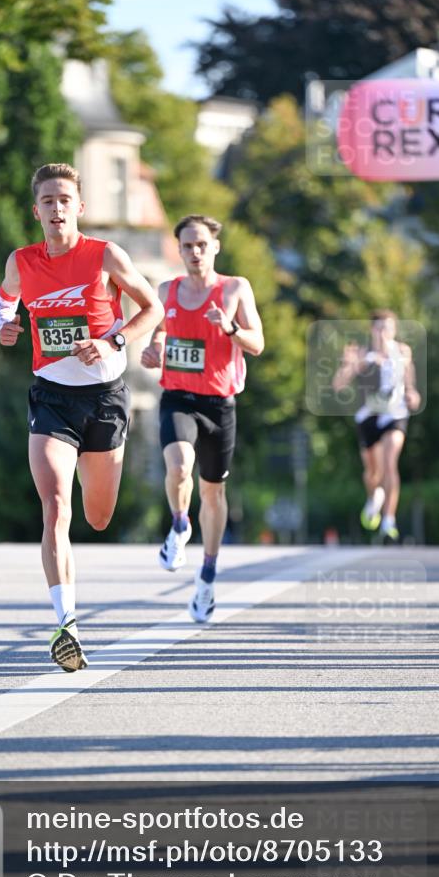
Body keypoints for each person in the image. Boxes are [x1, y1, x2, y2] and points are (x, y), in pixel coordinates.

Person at [0, 162, 163, 672]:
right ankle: (66, 621)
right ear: (37, 210)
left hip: (106, 397)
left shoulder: (105, 254)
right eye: (48, 200)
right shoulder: (22, 261)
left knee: (98, 515)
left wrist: (111, 340)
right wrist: (5, 326)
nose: (57, 208)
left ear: (79, 208)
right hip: (51, 399)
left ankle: (69, 608)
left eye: (65, 199)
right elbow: (3, 306)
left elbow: (151, 307)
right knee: (55, 506)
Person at [140, 214, 264, 622]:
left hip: (220, 404)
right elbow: (158, 331)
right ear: (179, 250)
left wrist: (230, 329)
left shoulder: (234, 289)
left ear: (215, 247)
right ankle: (178, 525)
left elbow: (257, 343)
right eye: (187, 246)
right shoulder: (166, 290)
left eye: (201, 245)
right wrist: (154, 349)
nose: (194, 252)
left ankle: (207, 576)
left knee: (213, 494)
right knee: (179, 468)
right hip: (178, 397)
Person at [332, 310, 420, 544]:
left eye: (388, 328)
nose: (383, 333)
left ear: (394, 330)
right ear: (372, 330)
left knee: (390, 463)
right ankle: (374, 496)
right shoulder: (362, 353)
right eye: (379, 328)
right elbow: (338, 385)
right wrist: (350, 365)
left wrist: (413, 394)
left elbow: (410, 383)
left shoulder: (403, 352)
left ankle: (389, 519)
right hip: (368, 416)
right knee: (372, 473)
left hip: (395, 414)